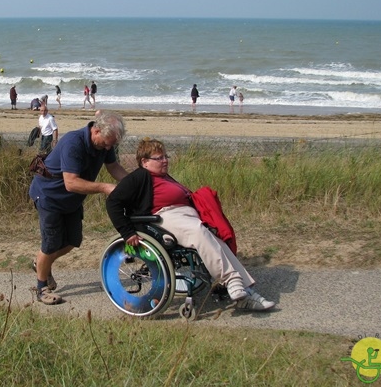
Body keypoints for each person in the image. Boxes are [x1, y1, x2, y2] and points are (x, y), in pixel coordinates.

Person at [106, 139, 275, 311]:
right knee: (197, 231)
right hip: (163, 218)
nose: (165, 160)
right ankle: (232, 280)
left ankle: (245, 293)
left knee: (218, 241)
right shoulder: (139, 176)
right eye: (159, 158)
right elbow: (113, 202)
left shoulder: (165, 178)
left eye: (166, 156)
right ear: (145, 162)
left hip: (186, 216)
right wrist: (127, 232)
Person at [29, 110, 129, 305]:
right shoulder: (73, 143)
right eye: (108, 142)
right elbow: (71, 183)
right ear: (96, 130)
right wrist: (105, 187)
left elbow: (113, 166)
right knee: (50, 244)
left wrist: (132, 183)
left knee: (72, 241)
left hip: (72, 200)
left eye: (113, 144)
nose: (109, 146)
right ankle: (41, 288)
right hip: (50, 196)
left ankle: (41, 263)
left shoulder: (106, 143)